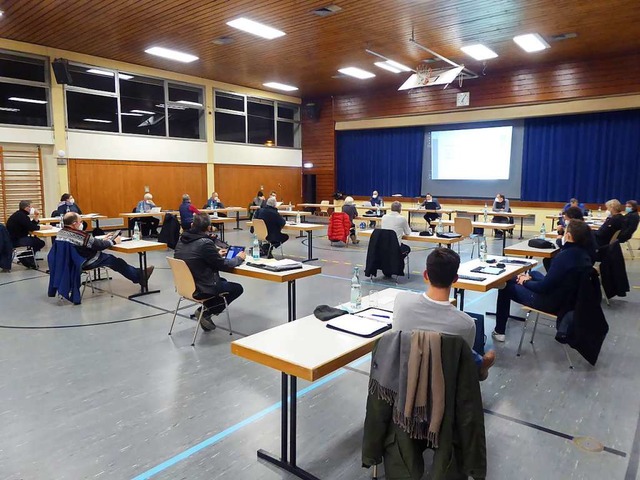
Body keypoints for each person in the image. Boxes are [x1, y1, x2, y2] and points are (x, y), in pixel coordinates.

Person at [393, 248, 496, 380]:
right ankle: (482, 366)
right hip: (442, 383)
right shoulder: (466, 324)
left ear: (426, 275)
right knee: (472, 356)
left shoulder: (401, 301)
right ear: (455, 279)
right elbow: (461, 363)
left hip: (404, 377)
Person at [492, 219, 592, 342]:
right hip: (568, 300)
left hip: (550, 302)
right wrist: (528, 279)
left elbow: (543, 288)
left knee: (505, 287)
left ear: (568, 236)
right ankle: (517, 277)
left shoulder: (564, 257)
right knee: (533, 273)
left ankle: (499, 331)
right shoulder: (584, 255)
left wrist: (525, 282)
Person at [175, 213, 245, 330]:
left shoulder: (181, 240)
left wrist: (215, 254)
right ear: (208, 228)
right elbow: (223, 265)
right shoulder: (205, 243)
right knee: (237, 288)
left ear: (192, 225)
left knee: (223, 282)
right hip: (203, 287)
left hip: (186, 285)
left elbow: (195, 257)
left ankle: (205, 311)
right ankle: (206, 312)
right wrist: (239, 258)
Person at [57, 212, 154, 285]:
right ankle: (139, 277)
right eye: (80, 221)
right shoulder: (79, 235)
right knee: (114, 261)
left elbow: (89, 242)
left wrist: (103, 239)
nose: (82, 224)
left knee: (111, 259)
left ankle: (138, 273)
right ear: (74, 223)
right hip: (85, 261)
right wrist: (114, 241)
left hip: (71, 262)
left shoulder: (61, 233)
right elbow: (99, 246)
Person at [545, 206, 598, 270]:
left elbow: (564, 245)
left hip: (577, 261)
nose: (566, 221)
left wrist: (559, 238)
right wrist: (561, 232)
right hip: (587, 260)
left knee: (548, 260)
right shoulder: (584, 227)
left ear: (572, 218)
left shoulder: (577, 230)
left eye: (567, 219)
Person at [6, 200, 51, 265]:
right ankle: (26, 257)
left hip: (14, 238)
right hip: (17, 240)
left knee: (36, 241)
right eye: (31, 207)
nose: (33, 209)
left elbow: (30, 225)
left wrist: (36, 216)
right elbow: (32, 228)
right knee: (39, 243)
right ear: (27, 208)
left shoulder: (19, 214)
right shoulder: (22, 216)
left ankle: (28, 258)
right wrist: (46, 227)